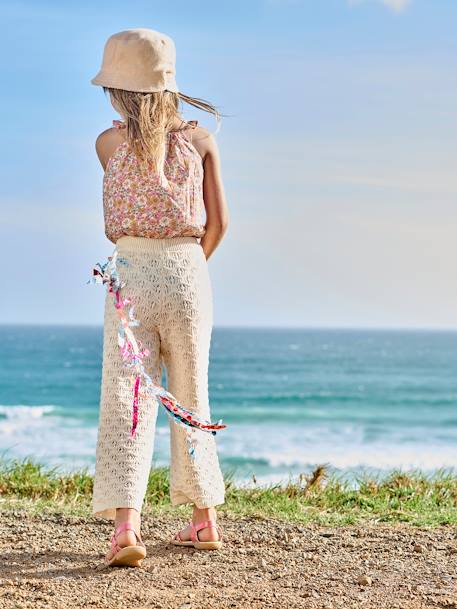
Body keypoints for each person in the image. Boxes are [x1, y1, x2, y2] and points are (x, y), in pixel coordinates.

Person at [89, 28, 229, 567]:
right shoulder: (200, 142)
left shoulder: (107, 144)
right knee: (192, 393)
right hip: (189, 271)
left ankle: (127, 530)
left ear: (118, 91)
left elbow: (130, 202)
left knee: (126, 399)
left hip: (131, 274)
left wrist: (149, 268)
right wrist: (187, 269)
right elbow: (219, 223)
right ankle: (203, 520)